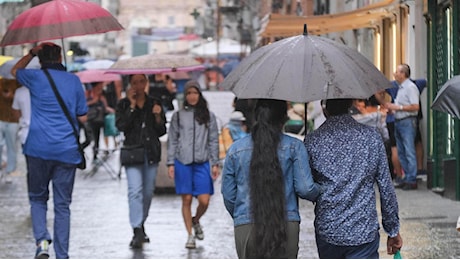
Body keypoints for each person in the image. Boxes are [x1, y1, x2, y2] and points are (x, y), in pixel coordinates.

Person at [11, 42, 88, 259]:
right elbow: (83, 114)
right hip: (66, 150)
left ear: (41, 59)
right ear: (61, 57)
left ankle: (42, 242)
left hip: (37, 148)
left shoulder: (34, 78)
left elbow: (15, 71)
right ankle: (62, 255)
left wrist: (30, 53)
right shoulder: (74, 81)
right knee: (62, 205)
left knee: (37, 198)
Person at [222, 99, 320, 258]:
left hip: (246, 226)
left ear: (256, 117)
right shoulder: (295, 146)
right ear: (284, 118)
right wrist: (321, 190)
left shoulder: (235, 150)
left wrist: (242, 214)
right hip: (286, 223)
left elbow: (228, 195)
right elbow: (305, 188)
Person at [304, 99, 402, 259]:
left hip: (328, 230)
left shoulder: (313, 140)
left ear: (324, 110)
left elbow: (308, 186)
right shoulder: (371, 137)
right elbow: (386, 187)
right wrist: (392, 229)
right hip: (363, 230)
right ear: (350, 106)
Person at [166, 79, 220, 249]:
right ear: (185, 95)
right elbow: (172, 140)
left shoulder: (208, 115)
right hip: (182, 161)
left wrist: (215, 162)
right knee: (187, 199)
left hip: (202, 161)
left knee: (204, 200)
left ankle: (196, 221)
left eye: (195, 93)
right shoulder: (178, 116)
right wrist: (170, 162)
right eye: (189, 93)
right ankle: (190, 235)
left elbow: (213, 140)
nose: (192, 96)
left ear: (199, 94)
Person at [115, 74, 167, 249]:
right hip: (132, 153)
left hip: (151, 152)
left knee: (148, 192)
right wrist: (131, 106)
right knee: (134, 191)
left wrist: (158, 117)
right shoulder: (123, 104)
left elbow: (161, 130)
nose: (138, 85)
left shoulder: (155, 102)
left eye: (141, 81)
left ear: (146, 83)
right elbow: (121, 127)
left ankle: (141, 222)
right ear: (130, 84)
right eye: (135, 82)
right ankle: (136, 229)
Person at [384, 64, 420, 190]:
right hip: (399, 121)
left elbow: (415, 106)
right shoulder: (401, 88)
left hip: (407, 122)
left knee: (409, 150)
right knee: (401, 151)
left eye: (397, 72)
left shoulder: (410, 87)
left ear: (403, 74)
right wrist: (393, 110)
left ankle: (412, 179)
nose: (395, 74)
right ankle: (408, 177)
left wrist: (397, 108)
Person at [86, 81, 115, 160]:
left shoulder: (102, 95)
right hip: (92, 119)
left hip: (101, 119)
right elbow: (83, 104)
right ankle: (94, 153)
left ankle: (105, 149)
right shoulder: (88, 93)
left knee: (104, 134)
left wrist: (112, 111)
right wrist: (93, 101)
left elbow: (105, 107)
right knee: (94, 137)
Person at [0, 78, 20, 183]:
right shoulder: (1, 83)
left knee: (11, 145)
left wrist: (11, 95)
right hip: (1, 118)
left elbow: (19, 99)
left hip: (13, 119)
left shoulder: (17, 84)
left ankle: (9, 170)